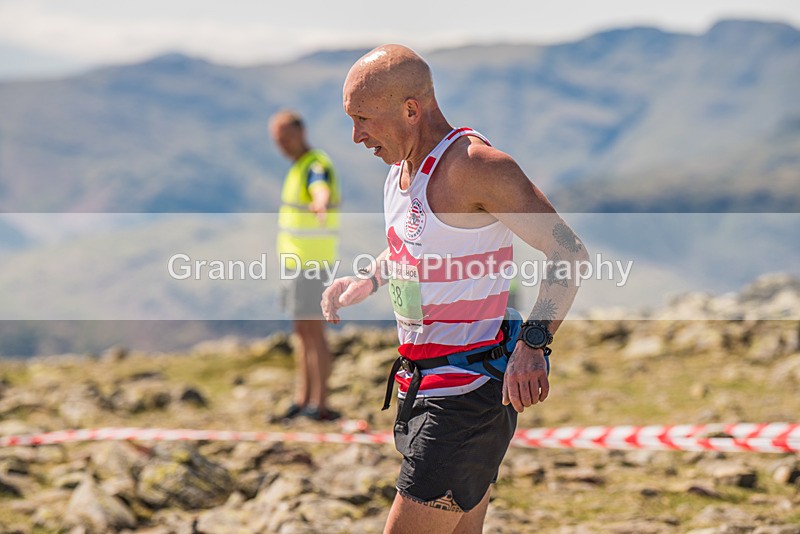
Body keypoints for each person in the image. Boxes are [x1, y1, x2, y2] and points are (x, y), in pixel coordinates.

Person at [321, 45, 589, 533]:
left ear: (410, 109)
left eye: (363, 119)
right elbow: (413, 243)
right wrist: (368, 279)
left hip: (465, 397)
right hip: (421, 386)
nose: (356, 136)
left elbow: (568, 253)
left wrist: (534, 343)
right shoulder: (399, 170)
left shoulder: (477, 167)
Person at [269, 109, 341, 422]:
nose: (282, 146)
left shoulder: (314, 165)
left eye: (285, 138)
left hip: (312, 264)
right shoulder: (299, 166)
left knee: (314, 332)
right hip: (297, 263)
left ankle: (319, 403)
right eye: (277, 141)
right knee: (302, 331)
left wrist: (320, 201)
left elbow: (319, 186)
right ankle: (303, 399)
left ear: (300, 133)